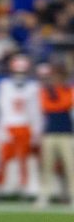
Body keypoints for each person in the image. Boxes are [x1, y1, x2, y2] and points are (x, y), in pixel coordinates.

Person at [0, 54, 42, 198]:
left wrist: (36, 130)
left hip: (25, 126)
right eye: (17, 72)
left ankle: (27, 187)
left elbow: (35, 111)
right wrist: (0, 129)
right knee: (5, 159)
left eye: (22, 72)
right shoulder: (4, 86)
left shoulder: (34, 87)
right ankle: (6, 187)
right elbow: (1, 109)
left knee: (25, 159)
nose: (19, 75)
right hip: (9, 125)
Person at [36, 62, 74, 207]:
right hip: (50, 132)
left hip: (66, 132)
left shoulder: (67, 90)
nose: (57, 78)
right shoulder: (47, 91)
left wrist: (58, 102)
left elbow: (67, 103)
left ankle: (72, 195)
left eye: (60, 75)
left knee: (70, 166)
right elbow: (47, 106)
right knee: (47, 165)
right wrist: (59, 103)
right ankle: (44, 195)